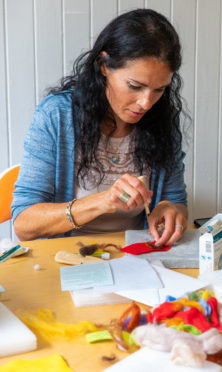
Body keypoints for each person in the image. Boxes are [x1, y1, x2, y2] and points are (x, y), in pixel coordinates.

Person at [12, 9, 188, 246]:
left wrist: (169, 209)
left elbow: (176, 201)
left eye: (159, 90)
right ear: (103, 65)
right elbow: (24, 224)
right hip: (67, 260)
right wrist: (102, 201)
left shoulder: (161, 119)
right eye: (135, 85)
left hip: (137, 259)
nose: (146, 103)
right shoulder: (57, 115)